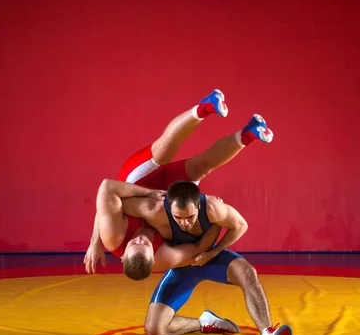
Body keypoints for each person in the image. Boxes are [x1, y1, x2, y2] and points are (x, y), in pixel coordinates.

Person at [84, 89, 274, 276]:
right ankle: (249, 134)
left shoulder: (114, 238)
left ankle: (204, 108)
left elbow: (108, 190)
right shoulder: (165, 257)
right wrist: (215, 222)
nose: (140, 239)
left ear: (123, 256)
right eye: (145, 245)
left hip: (134, 184)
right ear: (153, 258)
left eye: (134, 244)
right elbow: (199, 249)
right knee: (201, 167)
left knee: (162, 152)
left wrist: (95, 242)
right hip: (166, 199)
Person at [99, 179, 293, 335]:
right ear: (168, 208)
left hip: (210, 257)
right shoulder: (154, 211)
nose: (184, 223)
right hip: (183, 265)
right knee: (155, 329)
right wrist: (96, 240)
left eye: (190, 217)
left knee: (248, 273)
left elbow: (240, 225)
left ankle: (268, 334)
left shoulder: (212, 208)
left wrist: (214, 252)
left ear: (199, 206)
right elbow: (108, 206)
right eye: (177, 218)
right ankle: (204, 322)